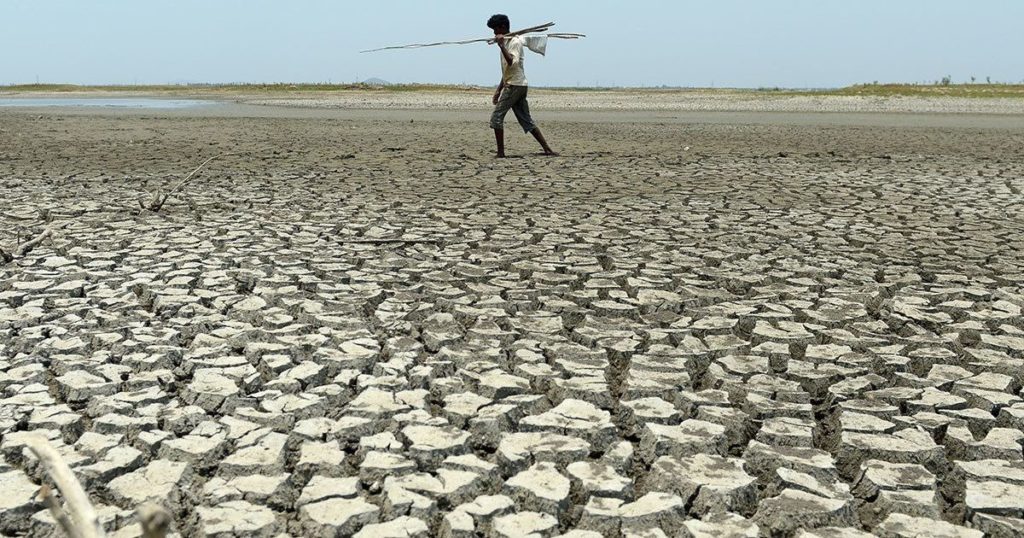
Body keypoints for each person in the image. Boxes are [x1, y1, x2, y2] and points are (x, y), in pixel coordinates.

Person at [487, 14, 557, 158]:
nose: (494, 33)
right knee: (526, 120)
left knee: (496, 118)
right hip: (515, 84)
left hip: (515, 86)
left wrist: (501, 46)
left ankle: (500, 153)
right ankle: (547, 149)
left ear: (503, 27)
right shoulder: (506, 42)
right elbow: (507, 70)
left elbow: (512, 61)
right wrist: (498, 90)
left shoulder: (514, 42)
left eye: (495, 29)